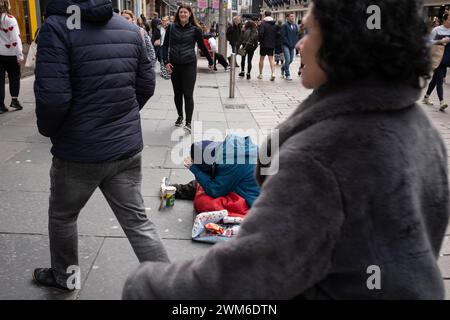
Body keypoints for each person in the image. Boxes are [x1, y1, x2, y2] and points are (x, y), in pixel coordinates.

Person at [122, 0, 449, 300]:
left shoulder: (320, 160)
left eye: (308, 32)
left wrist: (147, 286)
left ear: (341, 43)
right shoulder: (422, 131)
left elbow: (245, 275)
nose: (299, 44)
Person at [32, 0, 169, 291]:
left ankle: (64, 277)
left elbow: (53, 99)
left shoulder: (56, 27)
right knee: (138, 221)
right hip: (125, 148)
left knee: (63, 216)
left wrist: (51, 130)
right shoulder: (130, 30)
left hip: (79, 151)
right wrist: (121, 117)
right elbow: (146, 86)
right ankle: (171, 284)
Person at [161, 4, 214, 134]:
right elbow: (164, 46)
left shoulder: (196, 29)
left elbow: (202, 46)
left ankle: (188, 122)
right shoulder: (171, 28)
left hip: (189, 65)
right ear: (178, 14)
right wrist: (166, 62)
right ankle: (180, 115)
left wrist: (210, 60)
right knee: (177, 94)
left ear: (190, 14)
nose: (183, 14)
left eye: (185, 12)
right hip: (174, 65)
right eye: (181, 12)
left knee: (188, 94)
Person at [171, 135, 260, 211]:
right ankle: (174, 189)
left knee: (203, 202)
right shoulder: (228, 146)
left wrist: (194, 169)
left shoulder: (232, 164)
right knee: (206, 181)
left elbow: (215, 190)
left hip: (254, 199)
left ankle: (175, 190)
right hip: (252, 186)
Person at [423, 12, 450, 111]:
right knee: (439, 80)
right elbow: (428, 42)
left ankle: (426, 97)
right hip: (437, 58)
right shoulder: (436, 30)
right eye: (449, 20)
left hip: (446, 60)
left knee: (435, 79)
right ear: (444, 20)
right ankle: (442, 102)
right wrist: (441, 41)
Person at [0, 0, 23, 114]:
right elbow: (15, 39)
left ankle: (0, 105)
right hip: (10, 54)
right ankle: (14, 101)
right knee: (14, 77)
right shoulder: (10, 19)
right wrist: (19, 55)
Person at [258, 10, 279, 81]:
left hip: (264, 44)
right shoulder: (275, 24)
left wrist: (260, 41)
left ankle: (260, 74)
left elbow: (261, 33)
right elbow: (277, 34)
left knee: (261, 59)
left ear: (264, 15)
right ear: (271, 15)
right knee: (271, 59)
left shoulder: (263, 24)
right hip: (271, 44)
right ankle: (273, 73)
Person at [281, 12, 299, 80]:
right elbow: (283, 36)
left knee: (290, 60)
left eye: (293, 16)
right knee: (288, 59)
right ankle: (287, 74)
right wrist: (288, 43)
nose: (293, 17)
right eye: (291, 16)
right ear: (287, 17)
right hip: (286, 45)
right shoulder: (284, 25)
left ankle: (283, 68)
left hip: (292, 46)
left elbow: (296, 35)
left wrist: (295, 43)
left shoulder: (295, 25)